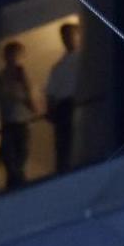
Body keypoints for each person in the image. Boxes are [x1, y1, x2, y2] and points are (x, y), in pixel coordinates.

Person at [0, 42, 37, 188]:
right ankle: (15, 186)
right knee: (10, 161)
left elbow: (33, 105)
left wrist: (23, 88)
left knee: (20, 160)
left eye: (16, 55)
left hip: (21, 123)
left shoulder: (23, 77)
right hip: (7, 124)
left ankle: (18, 186)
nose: (14, 58)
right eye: (11, 54)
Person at [44, 21, 82, 171]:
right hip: (64, 107)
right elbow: (51, 93)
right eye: (64, 36)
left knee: (76, 140)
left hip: (79, 103)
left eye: (70, 35)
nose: (67, 39)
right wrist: (50, 110)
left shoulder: (85, 58)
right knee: (64, 145)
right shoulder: (58, 66)